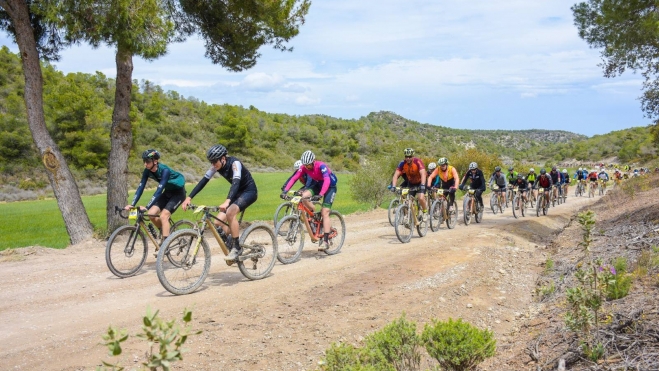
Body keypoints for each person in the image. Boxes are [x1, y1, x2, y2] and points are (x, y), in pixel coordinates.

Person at [181, 144, 258, 261]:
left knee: (230, 213)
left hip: (249, 191)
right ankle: (231, 241)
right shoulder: (215, 166)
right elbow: (203, 181)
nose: (213, 164)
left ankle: (237, 248)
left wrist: (227, 201)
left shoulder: (234, 163)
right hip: (237, 193)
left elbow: (236, 182)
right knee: (217, 223)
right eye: (211, 162)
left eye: (214, 161)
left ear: (223, 158)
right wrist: (189, 197)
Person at [125, 149, 186, 245]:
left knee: (164, 216)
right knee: (151, 214)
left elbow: (159, 190)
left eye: (147, 161)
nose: (145, 164)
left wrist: (147, 206)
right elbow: (141, 187)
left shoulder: (164, 170)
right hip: (168, 192)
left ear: (155, 161)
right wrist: (132, 204)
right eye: (144, 161)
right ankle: (165, 231)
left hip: (178, 193)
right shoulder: (147, 171)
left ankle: (165, 246)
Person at [282, 150, 338, 250]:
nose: (307, 167)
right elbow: (294, 178)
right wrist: (285, 191)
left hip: (330, 187)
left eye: (309, 165)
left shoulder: (321, 166)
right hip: (317, 184)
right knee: (303, 197)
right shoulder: (303, 167)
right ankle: (313, 213)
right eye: (305, 165)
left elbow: (327, 180)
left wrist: (320, 195)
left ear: (313, 161)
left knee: (325, 212)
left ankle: (325, 240)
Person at [392, 148, 428, 219]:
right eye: (406, 157)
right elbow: (396, 175)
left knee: (420, 198)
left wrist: (423, 184)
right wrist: (393, 186)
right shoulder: (402, 163)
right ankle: (408, 217)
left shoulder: (417, 161)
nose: (408, 158)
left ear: (413, 156)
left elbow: (423, 173)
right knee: (408, 201)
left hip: (421, 182)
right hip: (411, 183)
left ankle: (425, 212)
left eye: (410, 157)